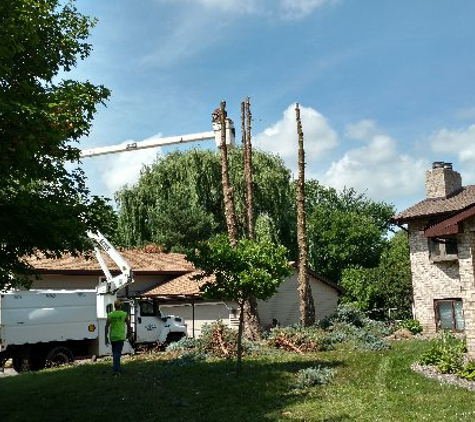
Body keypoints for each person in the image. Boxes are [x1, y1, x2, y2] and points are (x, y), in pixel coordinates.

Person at [105, 299, 131, 375]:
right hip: (120, 336)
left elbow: (106, 326)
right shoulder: (124, 314)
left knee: (115, 353)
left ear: (114, 306)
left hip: (113, 336)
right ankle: (116, 370)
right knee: (117, 353)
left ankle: (116, 368)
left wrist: (106, 337)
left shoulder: (110, 315)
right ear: (120, 306)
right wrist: (129, 334)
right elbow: (129, 325)